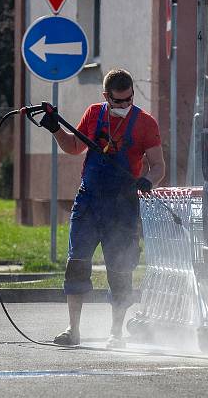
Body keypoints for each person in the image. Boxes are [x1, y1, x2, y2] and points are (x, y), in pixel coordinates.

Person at [36, 68, 165, 349]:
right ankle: (73, 329)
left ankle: (116, 333)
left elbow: (159, 167)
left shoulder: (146, 123)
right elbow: (72, 147)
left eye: (128, 100)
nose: (124, 106)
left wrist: (148, 180)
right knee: (77, 264)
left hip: (123, 206)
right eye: (118, 102)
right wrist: (55, 127)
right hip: (89, 202)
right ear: (106, 96)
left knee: (120, 270)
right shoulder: (94, 114)